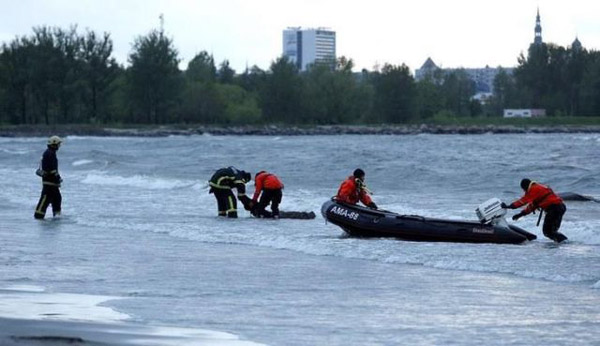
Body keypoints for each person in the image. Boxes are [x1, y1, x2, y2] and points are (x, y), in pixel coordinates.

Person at [502, 178, 568, 243]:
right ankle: (562, 243)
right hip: (560, 208)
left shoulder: (534, 189)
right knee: (552, 232)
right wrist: (520, 214)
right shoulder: (540, 188)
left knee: (548, 232)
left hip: (554, 209)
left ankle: (564, 242)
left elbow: (523, 201)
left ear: (525, 186)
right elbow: (532, 206)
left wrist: (510, 206)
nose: (524, 191)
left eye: (524, 189)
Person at [34, 136, 63, 219]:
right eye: (58, 144)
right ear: (54, 144)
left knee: (57, 198)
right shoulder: (50, 154)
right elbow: (52, 169)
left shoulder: (49, 153)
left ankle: (57, 217)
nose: (59, 146)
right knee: (45, 199)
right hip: (49, 182)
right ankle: (38, 216)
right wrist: (58, 178)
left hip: (51, 182)